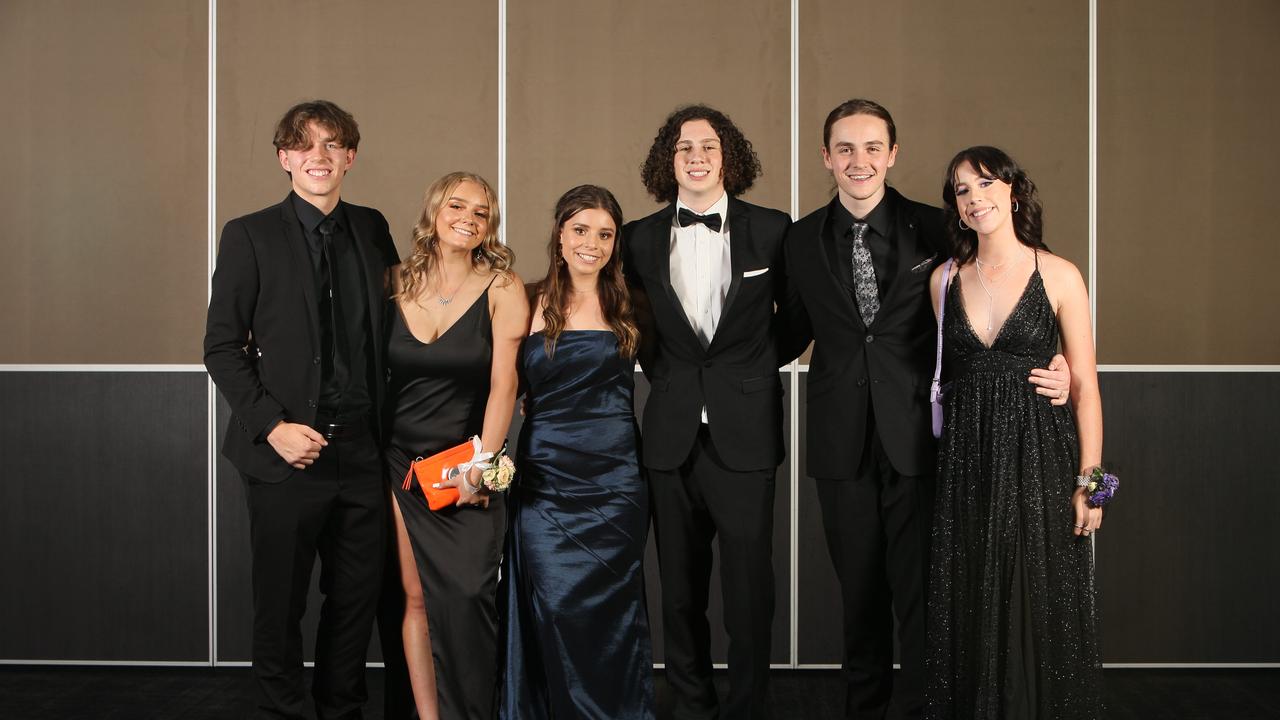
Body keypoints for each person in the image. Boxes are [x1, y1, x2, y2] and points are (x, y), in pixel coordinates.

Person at [782, 100, 1071, 720]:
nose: (859, 161)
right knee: (858, 595)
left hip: (920, 437)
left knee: (922, 593)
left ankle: (919, 710)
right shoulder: (799, 237)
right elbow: (784, 330)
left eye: (871, 148)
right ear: (826, 156)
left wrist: (1058, 360)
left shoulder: (936, 228)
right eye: (845, 149)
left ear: (893, 154)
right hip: (838, 441)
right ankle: (866, 708)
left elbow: (1007, 287)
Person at [205, 99, 399, 719]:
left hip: (364, 452)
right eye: (305, 146)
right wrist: (273, 428)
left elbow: (406, 321)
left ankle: (340, 711)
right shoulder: (249, 234)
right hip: (286, 454)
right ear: (285, 159)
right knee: (281, 604)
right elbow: (220, 346)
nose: (320, 156)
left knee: (354, 605)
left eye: (333, 144)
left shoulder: (372, 228)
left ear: (350, 158)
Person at [623, 105, 796, 720]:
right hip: (670, 435)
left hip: (746, 433)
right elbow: (628, 323)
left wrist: (748, 370)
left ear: (730, 159)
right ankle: (692, 705)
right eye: (682, 147)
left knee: (750, 592)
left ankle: (749, 707)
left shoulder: (774, 230)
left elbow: (797, 318)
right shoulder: (637, 238)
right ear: (667, 161)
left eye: (708, 147)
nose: (695, 157)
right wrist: (668, 377)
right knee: (678, 591)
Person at [926, 146, 1104, 719]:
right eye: (961, 190)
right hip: (968, 457)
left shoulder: (1059, 273)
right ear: (955, 208)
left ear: (1012, 191)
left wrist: (1093, 484)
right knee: (974, 593)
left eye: (984, 183)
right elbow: (954, 375)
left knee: (1036, 592)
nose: (974, 197)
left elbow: (1086, 387)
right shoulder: (943, 280)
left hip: (1040, 456)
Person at [377, 171, 529, 720]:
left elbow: (503, 387)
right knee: (416, 599)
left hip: (466, 462)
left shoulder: (504, 286)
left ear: (490, 226)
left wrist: (481, 469)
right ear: (434, 211)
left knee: (469, 599)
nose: (467, 217)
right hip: (399, 464)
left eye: (481, 211)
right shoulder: (392, 281)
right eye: (457, 205)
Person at [501, 184, 654, 719]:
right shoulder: (525, 296)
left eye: (605, 234)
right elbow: (500, 384)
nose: (592, 243)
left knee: (612, 615)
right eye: (581, 230)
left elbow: (681, 374)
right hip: (546, 483)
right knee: (556, 608)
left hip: (616, 485)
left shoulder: (633, 303)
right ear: (560, 235)